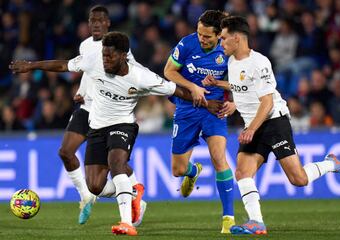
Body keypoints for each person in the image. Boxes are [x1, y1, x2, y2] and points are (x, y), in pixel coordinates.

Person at [202, 15, 340, 235]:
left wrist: (251, 129)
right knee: (242, 172)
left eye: (225, 38)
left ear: (237, 38)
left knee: (299, 179)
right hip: (254, 125)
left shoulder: (260, 62)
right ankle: (256, 222)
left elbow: (266, 102)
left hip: (274, 122)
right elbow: (241, 86)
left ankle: (331, 164)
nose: (221, 43)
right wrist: (221, 85)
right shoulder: (232, 62)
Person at [67, 31, 219, 235]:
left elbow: (174, 90)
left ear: (122, 55)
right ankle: (132, 193)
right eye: (104, 55)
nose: (105, 60)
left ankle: (126, 223)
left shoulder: (141, 76)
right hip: (97, 127)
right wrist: (30, 66)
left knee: (116, 164)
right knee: (95, 186)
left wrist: (206, 104)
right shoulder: (95, 62)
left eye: (109, 56)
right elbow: (62, 65)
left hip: (123, 124)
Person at [9, 5, 146, 226]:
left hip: (108, 113)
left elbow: (126, 75)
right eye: (92, 20)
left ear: (108, 23)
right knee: (65, 152)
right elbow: (79, 68)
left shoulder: (118, 46)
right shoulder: (85, 45)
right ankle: (87, 195)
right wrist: (83, 91)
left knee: (113, 162)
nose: (96, 24)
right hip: (87, 108)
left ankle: (133, 191)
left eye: (100, 20)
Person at [163, 10, 235, 233]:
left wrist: (234, 103)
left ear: (219, 35)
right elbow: (168, 71)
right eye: (200, 34)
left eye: (207, 37)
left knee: (219, 158)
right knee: (178, 170)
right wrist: (193, 87)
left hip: (215, 109)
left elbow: (242, 82)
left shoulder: (228, 51)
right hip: (187, 109)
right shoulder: (187, 44)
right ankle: (193, 172)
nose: (202, 39)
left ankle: (228, 218)